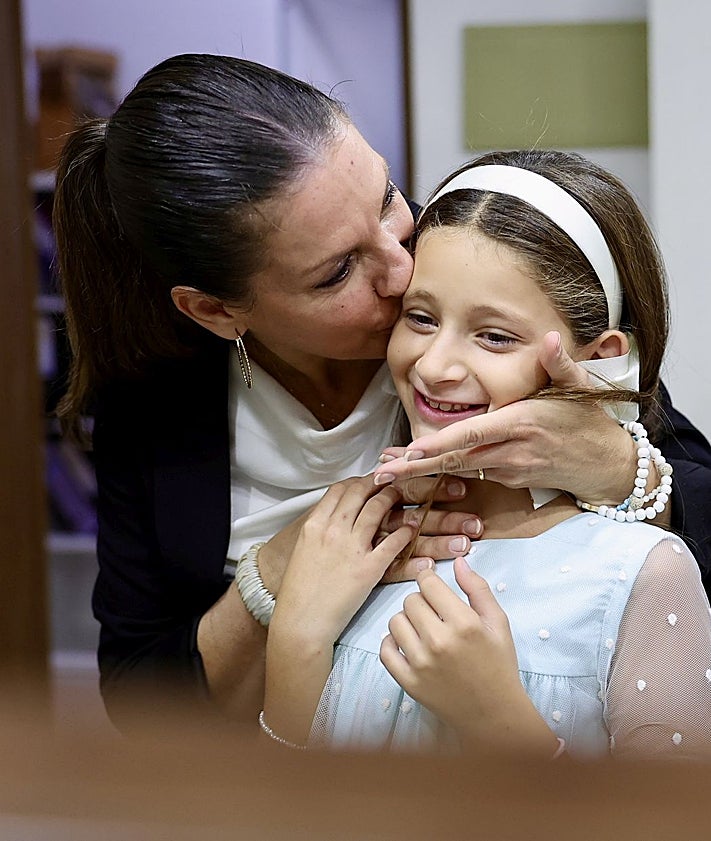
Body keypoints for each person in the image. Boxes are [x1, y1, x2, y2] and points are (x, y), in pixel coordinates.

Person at [52, 53, 711, 732]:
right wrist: (278, 576)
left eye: (387, 196)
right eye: (337, 271)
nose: (402, 270)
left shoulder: (463, 275)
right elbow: (142, 706)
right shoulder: (156, 404)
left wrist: (613, 464)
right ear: (216, 312)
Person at [261, 150, 711, 760]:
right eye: (420, 317)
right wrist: (297, 640)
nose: (434, 365)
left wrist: (499, 726)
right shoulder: (351, 553)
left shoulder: (643, 572)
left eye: (495, 336)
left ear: (599, 358)